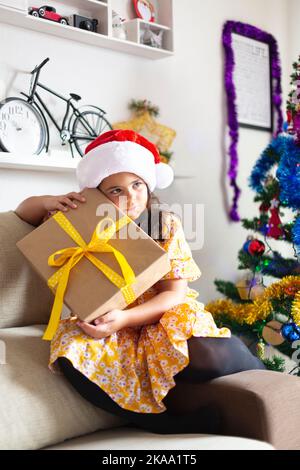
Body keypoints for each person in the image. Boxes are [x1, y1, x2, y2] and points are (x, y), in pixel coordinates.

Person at [15, 129, 265, 435]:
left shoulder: (163, 224)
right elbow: (23, 212)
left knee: (208, 353)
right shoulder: (81, 226)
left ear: (148, 186)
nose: (130, 196)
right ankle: (161, 423)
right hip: (110, 322)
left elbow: (174, 294)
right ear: (96, 194)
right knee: (70, 354)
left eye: (136, 185)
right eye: (115, 190)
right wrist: (51, 200)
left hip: (159, 315)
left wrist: (126, 318)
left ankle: (255, 365)